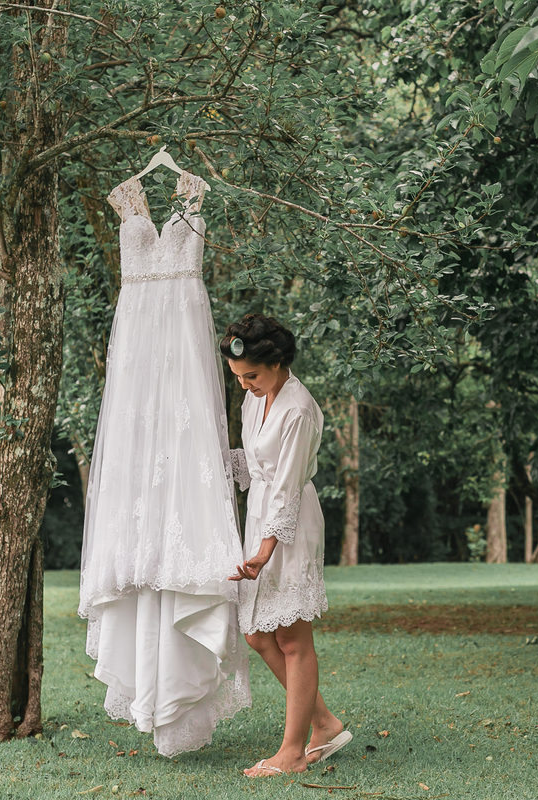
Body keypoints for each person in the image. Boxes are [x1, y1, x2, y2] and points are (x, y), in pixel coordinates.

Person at [76, 170, 250, 757]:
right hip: (138, 350)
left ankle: (174, 695)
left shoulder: (193, 197)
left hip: (182, 335)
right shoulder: (126, 202)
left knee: (182, 456)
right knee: (140, 472)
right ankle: (155, 687)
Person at [220, 314, 351, 777]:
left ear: (276, 364)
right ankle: (325, 724)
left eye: (251, 376)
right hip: (260, 515)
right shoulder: (254, 403)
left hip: (289, 526)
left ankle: (293, 750)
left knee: (293, 639)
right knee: (258, 634)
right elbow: (254, 464)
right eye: (239, 378)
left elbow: (287, 487)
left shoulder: (298, 408)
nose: (245, 386)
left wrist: (265, 549)